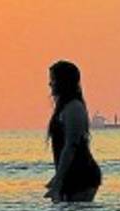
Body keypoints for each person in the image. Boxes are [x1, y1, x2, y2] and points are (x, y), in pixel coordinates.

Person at [43, 60, 101, 202]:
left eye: (53, 80)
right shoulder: (63, 108)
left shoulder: (73, 107)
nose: (50, 84)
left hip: (82, 175)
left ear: (63, 82)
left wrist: (58, 182)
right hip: (70, 175)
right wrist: (57, 178)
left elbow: (71, 146)